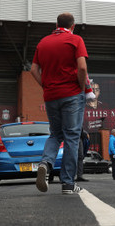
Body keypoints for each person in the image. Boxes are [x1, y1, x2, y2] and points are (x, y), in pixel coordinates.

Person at [30, 12, 88, 195]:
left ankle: (45, 163)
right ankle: (68, 184)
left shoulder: (43, 42)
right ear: (73, 26)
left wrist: (45, 86)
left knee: (55, 134)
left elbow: (33, 69)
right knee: (71, 137)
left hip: (51, 96)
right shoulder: (75, 39)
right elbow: (82, 67)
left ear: (56, 24)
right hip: (71, 94)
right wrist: (80, 87)